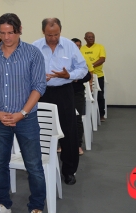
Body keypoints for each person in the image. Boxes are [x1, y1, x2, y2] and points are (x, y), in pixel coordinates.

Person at [0, 13, 47, 213]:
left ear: (19, 30)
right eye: (2, 33)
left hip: (26, 119)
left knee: (34, 165)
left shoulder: (33, 53)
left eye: (11, 32)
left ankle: (36, 205)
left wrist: (22, 113)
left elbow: (39, 86)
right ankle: (1, 203)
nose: (7, 37)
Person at [32, 18, 87, 186]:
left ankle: (69, 171)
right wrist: (38, 76)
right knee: (40, 130)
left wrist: (68, 75)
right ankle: (38, 169)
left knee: (68, 131)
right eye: (49, 35)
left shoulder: (69, 45)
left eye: (56, 34)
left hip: (64, 92)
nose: (53, 38)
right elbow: (26, 69)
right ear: (43, 32)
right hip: (41, 92)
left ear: (60, 31)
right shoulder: (34, 47)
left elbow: (83, 69)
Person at [72, 38, 93, 155]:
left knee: (77, 119)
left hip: (77, 93)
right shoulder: (65, 59)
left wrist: (75, 78)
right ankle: (62, 144)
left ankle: (78, 145)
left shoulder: (83, 60)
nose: (77, 47)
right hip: (65, 93)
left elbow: (87, 77)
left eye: (79, 46)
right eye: (75, 45)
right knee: (61, 119)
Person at [81, 32, 107, 121]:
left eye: (92, 37)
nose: (91, 38)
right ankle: (86, 113)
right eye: (89, 37)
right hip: (85, 76)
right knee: (84, 95)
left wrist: (90, 65)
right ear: (85, 39)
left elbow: (102, 59)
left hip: (98, 75)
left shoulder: (100, 47)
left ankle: (101, 114)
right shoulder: (82, 48)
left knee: (99, 95)